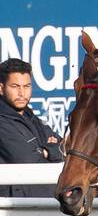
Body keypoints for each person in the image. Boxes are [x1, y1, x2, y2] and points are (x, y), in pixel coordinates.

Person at [0, 57, 64, 198]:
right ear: (1, 88)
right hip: (14, 208)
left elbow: (64, 146)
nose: (22, 93)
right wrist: (50, 149)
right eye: (15, 86)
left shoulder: (31, 117)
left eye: (27, 86)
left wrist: (45, 151)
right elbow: (27, 158)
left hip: (45, 201)